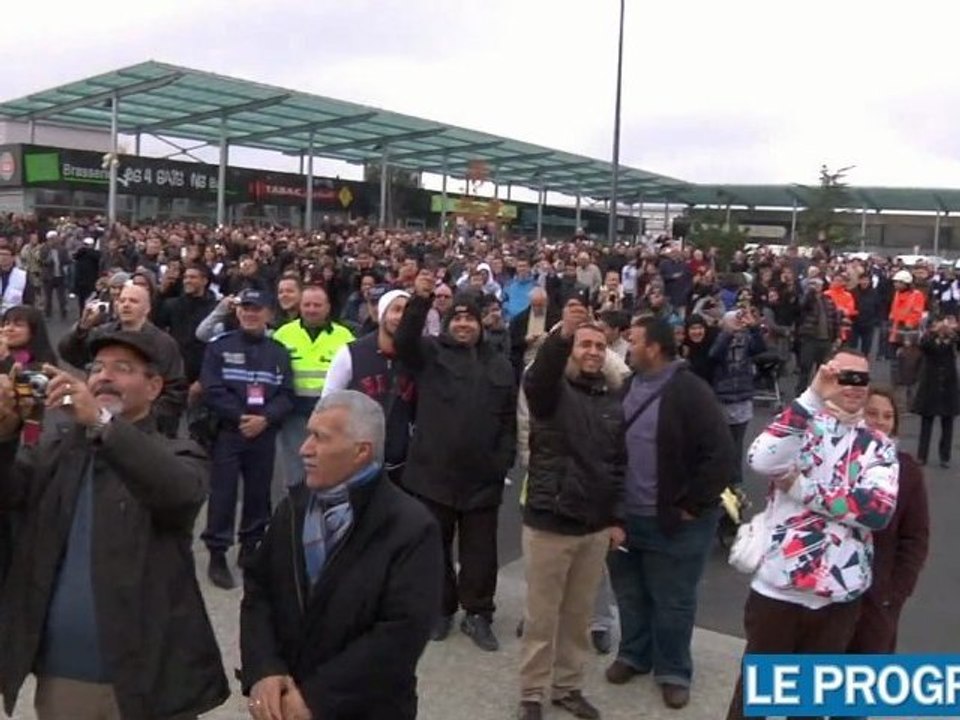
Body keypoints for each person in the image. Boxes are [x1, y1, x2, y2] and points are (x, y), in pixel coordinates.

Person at [0, 331, 229, 720]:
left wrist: (102, 423)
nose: (105, 377)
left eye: (123, 369)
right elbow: (10, 496)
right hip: (66, 678)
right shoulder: (55, 451)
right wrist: (5, 435)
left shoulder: (178, 453)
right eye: (97, 368)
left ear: (154, 386)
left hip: (148, 681)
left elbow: (179, 493)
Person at [240, 390, 442, 720]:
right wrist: (264, 669)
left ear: (361, 451)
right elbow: (259, 589)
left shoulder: (411, 528)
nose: (305, 449)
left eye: (320, 438)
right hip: (284, 703)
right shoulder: (293, 508)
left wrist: (314, 699)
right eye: (308, 435)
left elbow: (400, 635)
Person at [725, 351, 899, 720]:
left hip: (838, 597)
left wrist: (803, 490)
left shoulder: (877, 445)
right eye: (843, 377)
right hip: (778, 588)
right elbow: (761, 459)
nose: (853, 387)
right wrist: (811, 397)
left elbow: (877, 510)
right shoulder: (801, 424)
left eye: (861, 379)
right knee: (754, 697)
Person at [606, 316, 734, 710]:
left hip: (676, 522)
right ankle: (634, 653)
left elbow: (721, 456)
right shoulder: (629, 385)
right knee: (630, 593)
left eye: (635, 339)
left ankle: (674, 670)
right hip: (627, 518)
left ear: (655, 347)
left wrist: (692, 505)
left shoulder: (691, 391)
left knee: (673, 600)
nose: (628, 345)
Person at [395, 272, 517, 652]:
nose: (464, 325)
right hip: (432, 475)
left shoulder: (500, 364)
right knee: (435, 548)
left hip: (483, 479)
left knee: (481, 553)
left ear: (481, 324)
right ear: (448, 323)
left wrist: (502, 463)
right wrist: (420, 299)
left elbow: (509, 420)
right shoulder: (429, 353)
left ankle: (478, 613)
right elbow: (403, 342)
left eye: (471, 319)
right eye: (457, 319)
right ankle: (440, 608)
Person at [518, 299, 626, 720]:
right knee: (541, 618)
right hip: (550, 522)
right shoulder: (549, 392)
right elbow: (542, 372)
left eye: (600, 346)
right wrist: (563, 333)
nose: (593, 352)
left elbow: (618, 464)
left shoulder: (612, 399)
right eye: (585, 345)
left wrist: (616, 519)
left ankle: (567, 688)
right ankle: (531, 693)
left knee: (578, 619)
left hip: (593, 526)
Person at [200, 289, 295, 589]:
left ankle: (251, 547)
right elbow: (212, 388)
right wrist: (240, 418)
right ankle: (217, 552)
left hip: (263, 432)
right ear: (238, 312)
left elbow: (286, 394)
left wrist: (265, 419)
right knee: (223, 493)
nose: (250, 314)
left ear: (268, 314)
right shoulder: (220, 346)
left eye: (257, 309)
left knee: (258, 494)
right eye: (245, 308)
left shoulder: (279, 351)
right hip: (230, 431)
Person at [59, 283, 187, 438]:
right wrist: (82, 327)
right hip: (99, 420)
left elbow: (175, 392)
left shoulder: (164, 343)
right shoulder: (102, 333)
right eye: (122, 300)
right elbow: (70, 354)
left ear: (147, 309)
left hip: (143, 430)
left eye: (133, 301)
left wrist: (142, 415)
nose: (126, 305)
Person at [322, 289, 416, 484]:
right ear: (382, 314)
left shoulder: (418, 357)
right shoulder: (351, 353)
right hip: (357, 460)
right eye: (396, 310)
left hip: (402, 462)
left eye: (407, 312)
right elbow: (328, 401)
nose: (401, 317)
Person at [273, 286, 354, 487]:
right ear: (300, 307)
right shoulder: (283, 334)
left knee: (329, 472)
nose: (311, 309)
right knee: (296, 474)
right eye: (307, 305)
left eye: (317, 305)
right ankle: (296, 515)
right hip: (293, 414)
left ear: (327, 308)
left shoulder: (344, 337)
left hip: (331, 416)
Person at [709, 309, 766, 487]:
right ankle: (720, 480)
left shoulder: (747, 338)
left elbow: (760, 349)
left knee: (737, 443)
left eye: (739, 321)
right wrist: (728, 333)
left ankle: (735, 481)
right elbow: (714, 354)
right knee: (722, 444)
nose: (737, 324)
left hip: (742, 396)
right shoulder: (719, 337)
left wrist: (754, 327)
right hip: (722, 396)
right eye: (733, 320)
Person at [911, 316, 959, 468]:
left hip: (949, 384)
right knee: (926, 421)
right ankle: (921, 456)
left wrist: (952, 333)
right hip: (930, 383)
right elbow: (924, 345)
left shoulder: (952, 340)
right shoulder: (929, 339)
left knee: (948, 422)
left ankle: (945, 457)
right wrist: (934, 332)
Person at [509, 286, 561, 381]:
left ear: (546, 302)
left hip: (548, 362)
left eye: (540, 305)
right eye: (535, 305)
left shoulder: (556, 318)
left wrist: (549, 339)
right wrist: (525, 340)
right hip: (525, 362)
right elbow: (511, 343)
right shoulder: (519, 320)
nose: (537, 308)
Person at [0, 240, 33, 312]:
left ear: (13, 257)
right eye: (0, 254)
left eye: (5, 255)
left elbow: (28, 300)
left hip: (14, 316)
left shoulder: (22, 275)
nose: (2, 258)